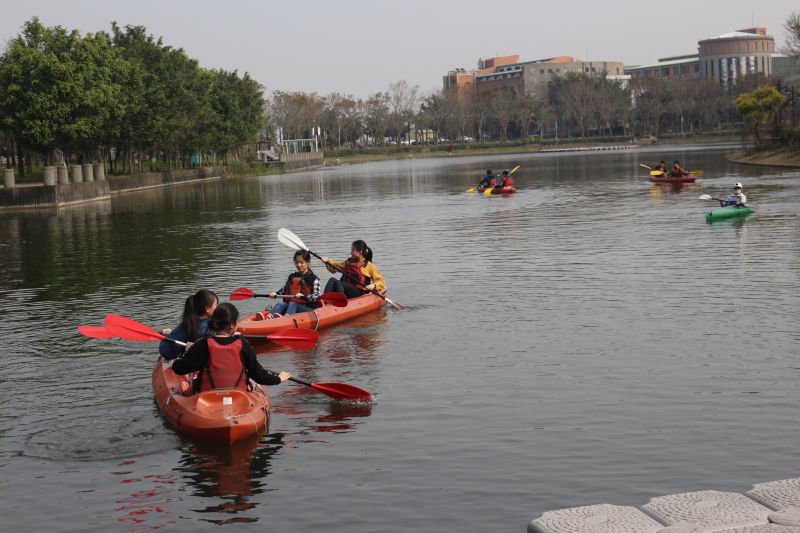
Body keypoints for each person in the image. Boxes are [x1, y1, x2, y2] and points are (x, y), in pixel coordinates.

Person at [171, 303, 291, 394]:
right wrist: (278, 379)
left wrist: (188, 351)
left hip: (207, 399)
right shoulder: (243, 344)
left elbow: (178, 368)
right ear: (232, 325)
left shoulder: (202, 344)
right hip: (239, 397)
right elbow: (259, 375)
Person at [160, 289, 218, 360]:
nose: (217, 307)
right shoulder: (219, 324)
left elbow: (165, 351)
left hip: (192, 361)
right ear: (207, 309)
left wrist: (166, 335)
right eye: (216, 305)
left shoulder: (186, 326)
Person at [321, 240, 386, 299]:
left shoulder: (369, 266)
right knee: (332, 280)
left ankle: (340, 300)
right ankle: (324, 299)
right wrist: (327, 261)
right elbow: (335, 266)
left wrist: (374, 285)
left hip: (358, 292)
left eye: (353, 250)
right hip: (346, 290)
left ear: (360, 252)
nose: (351, 252)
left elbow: (381, 281)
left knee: (338, 282)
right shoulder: (348, 262)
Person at [267, 250, 321, 317]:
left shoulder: (314, 279)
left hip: (308, 309)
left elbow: (316, 296)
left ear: (308, 262)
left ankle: (286, 318)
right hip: (292, 306)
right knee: (281, 304)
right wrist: (276, 294)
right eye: (296, 262)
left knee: (293, 304)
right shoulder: (292, 276)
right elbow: (284, 289)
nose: (298, 265)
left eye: (301, 262)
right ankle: (268, 317)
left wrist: (304, 296)